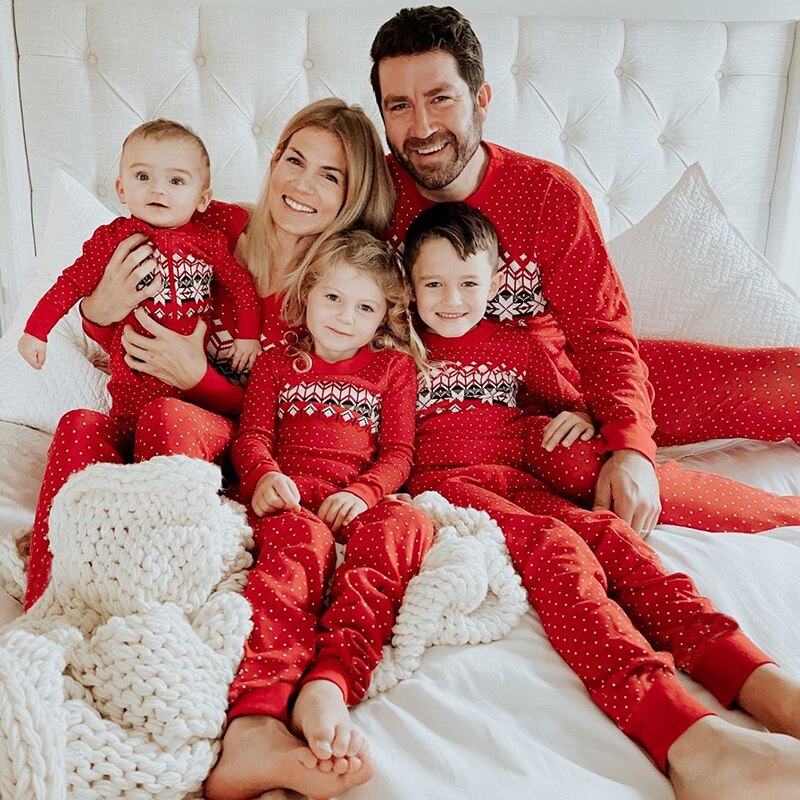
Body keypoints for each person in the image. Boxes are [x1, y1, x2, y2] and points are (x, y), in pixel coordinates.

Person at [403, 201, 800, 800]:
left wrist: (579, 416)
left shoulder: (518, 345)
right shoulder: (398, 352)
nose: (450, 299)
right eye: (433, 284)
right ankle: (674, 726)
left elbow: (571, 395)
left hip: (520, 477)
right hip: (456, 492)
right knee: (559, 553)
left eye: (467, 284)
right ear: (409, 286)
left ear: (494, 283)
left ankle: (757, 679)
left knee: (613, 537)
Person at [369, 6, 800, 538]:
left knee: (789, 383)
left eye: (441, 98)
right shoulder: (371, 200)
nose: (422, 126)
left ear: (481, 100)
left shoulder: (547, 195)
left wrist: (630, 441)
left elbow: (602, 332)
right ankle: (792, 520)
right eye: (399, 106)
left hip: (579, 384)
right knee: (608, 481)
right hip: (519, 429)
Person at [24, 98, 396, 609]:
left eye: (330, 176)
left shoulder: (340, 291)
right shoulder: (215, 222)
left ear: (352, 195)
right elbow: (118, 313)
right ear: (274, 161)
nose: (303, 186)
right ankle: (49, 598)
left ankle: (149, 590)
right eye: (295, 160)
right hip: (145, 408)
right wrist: (98, 309)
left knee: (168, 416)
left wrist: (199, 376)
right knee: (79, 426)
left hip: (235, 447)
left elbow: (297, 417)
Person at [204, 230, 433, 800]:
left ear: (383, 317)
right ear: (307, 293)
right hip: (292, 497)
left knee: (409, 526)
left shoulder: (391, 370)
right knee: (297, 556)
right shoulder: (280, 361)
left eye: (364, 307)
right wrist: (261, 477)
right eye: (333, 298)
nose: (344, 317)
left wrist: (365, 493)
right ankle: (255, 721)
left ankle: (330, 679)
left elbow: (400, 453)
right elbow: (252, 434)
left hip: (352, 499)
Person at [18, 118, 263, 423]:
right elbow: (69, 284)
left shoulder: (209, 242)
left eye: (176, 181)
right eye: (143, 176)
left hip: (194, 387)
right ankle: (119, 466)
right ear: (121, 189)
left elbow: (241, 286)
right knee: (84, 425)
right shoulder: (113, 239)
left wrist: (248, 337)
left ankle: (156, 466)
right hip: (133, 376)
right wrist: (35, 331)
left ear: (202, 199)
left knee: (169, 424)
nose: (158, 189)